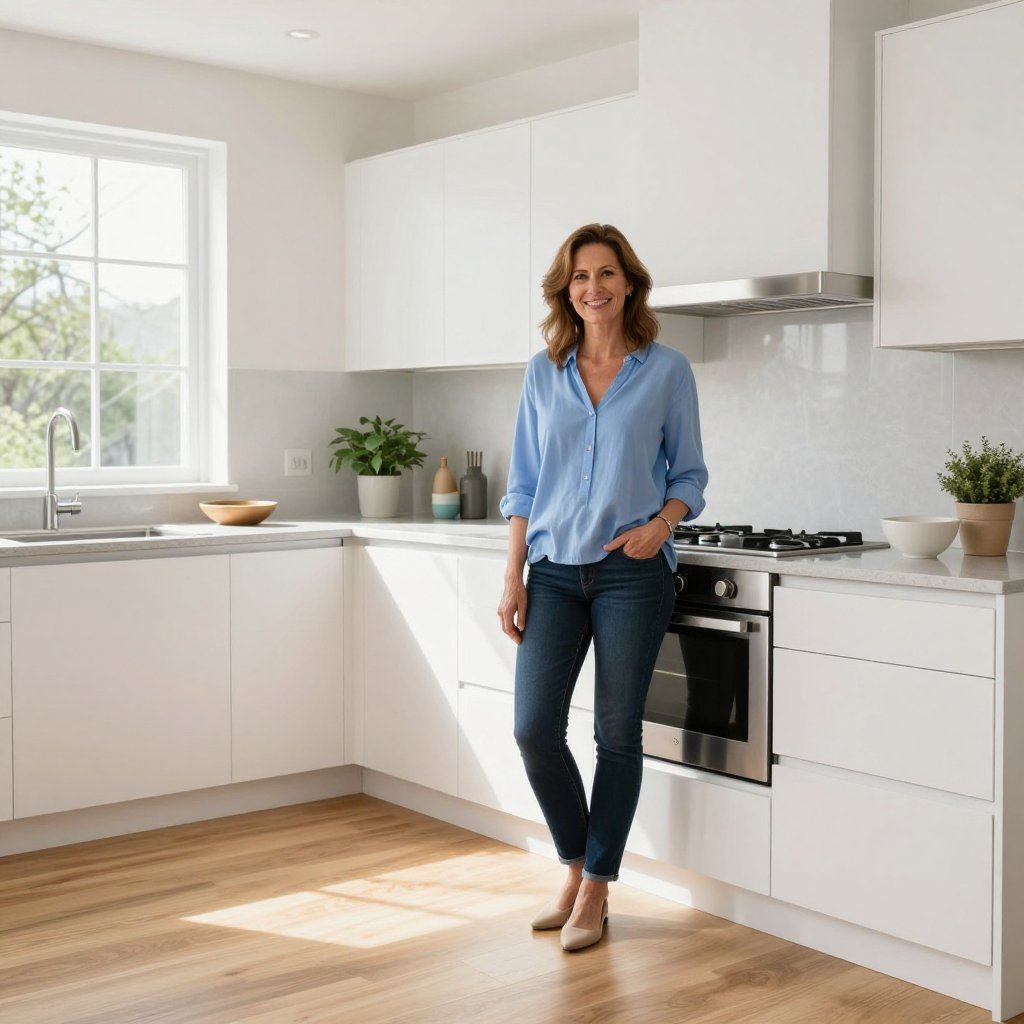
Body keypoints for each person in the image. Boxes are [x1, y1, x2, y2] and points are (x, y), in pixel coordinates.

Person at [497, 222, 708, 952]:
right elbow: (522, 483)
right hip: (553, 572)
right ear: (567, 290)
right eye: (581, 276)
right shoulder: (541, 373)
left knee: (614, 732)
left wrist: (662, 525)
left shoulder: (667, 370)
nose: (595, 287)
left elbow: (690, 475)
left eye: (607, 273)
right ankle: (578, 860)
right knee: (532, 729)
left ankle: (595, 886)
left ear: (629, 284)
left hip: (631, 573)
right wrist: (512, 577)